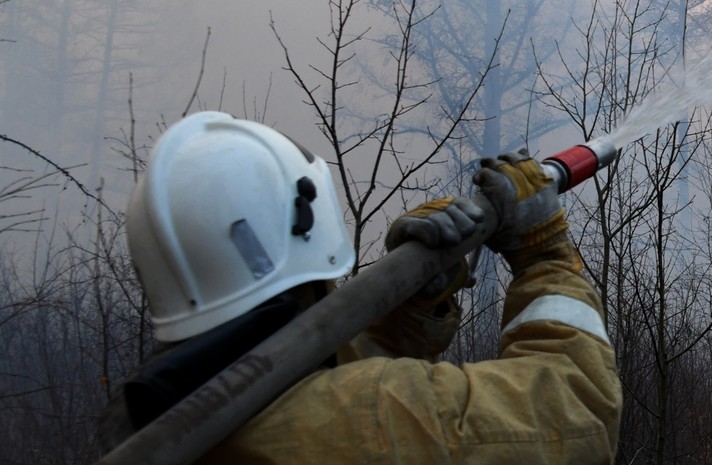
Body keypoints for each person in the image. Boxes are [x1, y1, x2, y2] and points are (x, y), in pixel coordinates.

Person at [98, 111, 621, 464]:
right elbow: (578, 409)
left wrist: (414, 300)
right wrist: (543, 252)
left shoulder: (158, 415)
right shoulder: (369, 416)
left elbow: (309, 383)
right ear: (307, 222)